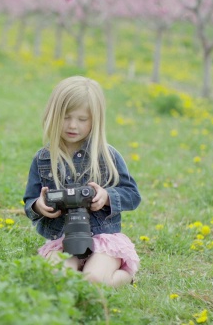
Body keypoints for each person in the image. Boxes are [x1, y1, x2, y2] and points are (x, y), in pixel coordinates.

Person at [22, 76, 141, 287]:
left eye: (82, 119)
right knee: (58, 280)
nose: (72, 125)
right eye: (66, 117)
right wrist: (39, 206)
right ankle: (78, 268)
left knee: (93, 280)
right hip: (62, 240)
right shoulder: (43, 159)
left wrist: (106, 196)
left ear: (95, 120)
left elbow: (132, 195)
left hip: (104, 239)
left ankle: (124, 276)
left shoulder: (107, 156)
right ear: (53, 115)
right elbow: (30, 201)